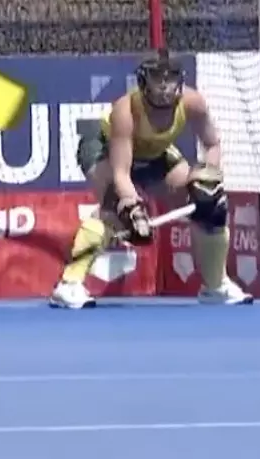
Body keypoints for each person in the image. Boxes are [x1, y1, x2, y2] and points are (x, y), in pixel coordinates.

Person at [49, 49, 248, 309]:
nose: (164, 86)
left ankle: (215, 286)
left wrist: (207, 177)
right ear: (144, 80)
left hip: (154, 154)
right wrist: (132, 206)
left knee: (211, 205)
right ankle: (68, 285)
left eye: (170, 77)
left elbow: (212, 145)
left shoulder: (193, 103)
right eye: (157, 77)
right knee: (113, 207)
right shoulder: (126, 111)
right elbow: (121, 173)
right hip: (104, 148)